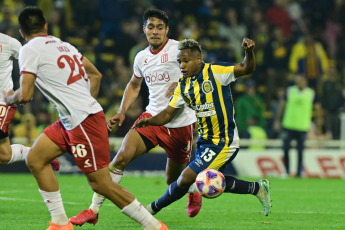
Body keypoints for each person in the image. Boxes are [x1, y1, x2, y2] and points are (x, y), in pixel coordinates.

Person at [3, 7, 168, 230]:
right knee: (36, 158)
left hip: (83, 121)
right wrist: (83, 103)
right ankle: (61, 224)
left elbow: (26, 95)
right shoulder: (64, 45)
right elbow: (95, 75)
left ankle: (154, 226)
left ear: (21, 33)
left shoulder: (28, 50)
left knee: (101, 183)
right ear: (45, 26)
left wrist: (9, 97)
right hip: (73, 119)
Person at [70, 9, 200, 226]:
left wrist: (180, 84)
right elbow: (134, 84)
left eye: (160, 27)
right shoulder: (141, 57)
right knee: (120, 158)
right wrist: (122, 111)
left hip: (180, 124)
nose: (155, 31)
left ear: (167, 30)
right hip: (151, 119)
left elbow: (200, 69)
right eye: (151, 27)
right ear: (144, 30)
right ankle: (93, 210)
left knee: (173, 180)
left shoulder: (178, 48)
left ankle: (193, 189)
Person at [134, 38, 272, 217]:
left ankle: (151, 209)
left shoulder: (216, 72)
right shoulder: (183, 86)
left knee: (185, 178)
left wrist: (249, 52)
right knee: (211, 183)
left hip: (224, 141)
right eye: (179, 62)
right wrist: (150, 121)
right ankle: (257, 188)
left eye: (186, 61)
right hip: (205, 142)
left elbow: (247, 68)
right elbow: (168, 114)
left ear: (199, 59)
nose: (182, 66)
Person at [0, 32, 59, 171]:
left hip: (3, 101)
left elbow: (29, 64)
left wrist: (24, 90)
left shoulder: (9, 43)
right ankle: (41, 153)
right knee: (4, 155)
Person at [274, 75, 320, 177]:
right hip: (288, 125)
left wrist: (318, 124)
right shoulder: (290, 91)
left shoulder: (311, 93)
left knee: (300, 151)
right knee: (285, 148)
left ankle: (299, 173)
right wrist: (277, 120)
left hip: (302, 127)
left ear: (306, 82)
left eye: (302, 81)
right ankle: (286, 171)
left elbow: (318, 109)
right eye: (298, 81)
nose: (300, 83)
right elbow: (282, 105)